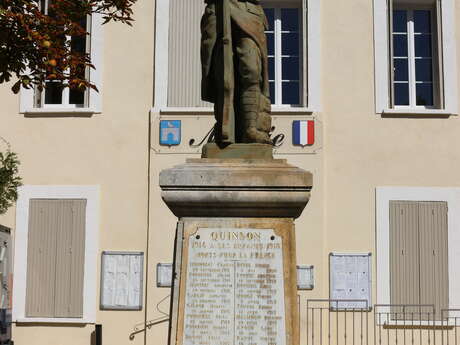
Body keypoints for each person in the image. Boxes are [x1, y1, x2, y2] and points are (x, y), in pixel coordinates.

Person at [201, 0, 272, 144]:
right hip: (219, 9)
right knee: (221, 71)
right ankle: (224, 127)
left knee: (252, 70)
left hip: (248, 11)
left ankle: (250, 129)